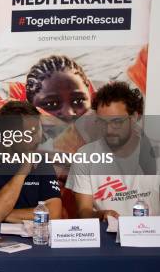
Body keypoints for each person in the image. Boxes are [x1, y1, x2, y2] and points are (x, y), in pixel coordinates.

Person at [66, 82, 160, 219]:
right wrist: (100, 215)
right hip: (106, 235)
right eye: (102, 122)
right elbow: (83, 211)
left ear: (134, 117)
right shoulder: (85, 155)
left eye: (117, 122)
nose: (109, 130)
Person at [0, 101, 62, 223]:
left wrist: (6, 215)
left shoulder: (41, 162)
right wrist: (23, 172)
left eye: (38, 131)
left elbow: (54, 213)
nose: (38, 139)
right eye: (31, 134)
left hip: (34, 238)